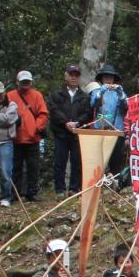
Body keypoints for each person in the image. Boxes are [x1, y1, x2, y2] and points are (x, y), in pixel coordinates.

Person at [48, 65, 93, 196]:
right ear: (65, 76)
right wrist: (65, 122)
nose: (73, 77)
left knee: (77, 162)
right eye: (71, 74)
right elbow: (54, 110)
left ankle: (74, 188)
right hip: (61, 133)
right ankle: (60, 190)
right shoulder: (57, 94)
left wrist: (77, 123)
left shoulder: (85, 96)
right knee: (59, 162)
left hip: (77, 134)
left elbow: (88, 113)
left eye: (76, 75)